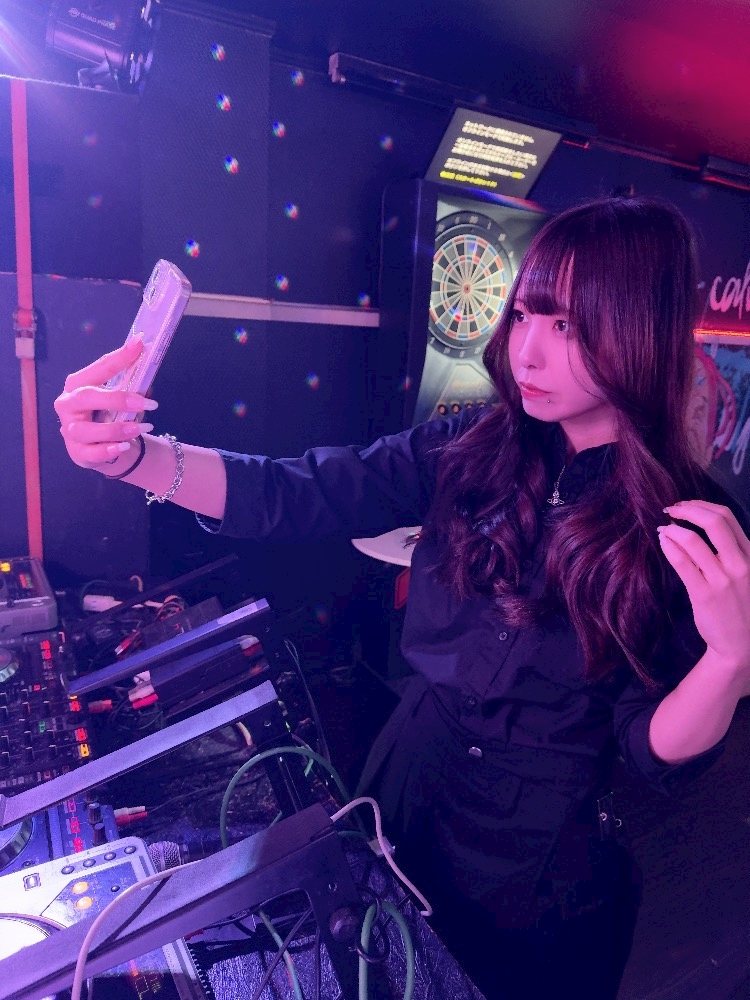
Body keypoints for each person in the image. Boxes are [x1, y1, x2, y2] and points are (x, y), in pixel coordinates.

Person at [55, 197, 750, 1000]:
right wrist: (132, 458)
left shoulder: (690, 521)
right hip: (408, 779)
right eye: (525, 314)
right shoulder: (473, 445)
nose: (526, 349)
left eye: (566, 324)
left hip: (538, 858)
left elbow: (649, 744)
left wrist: (729, 662)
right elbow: (295, 491)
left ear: (640, 328)